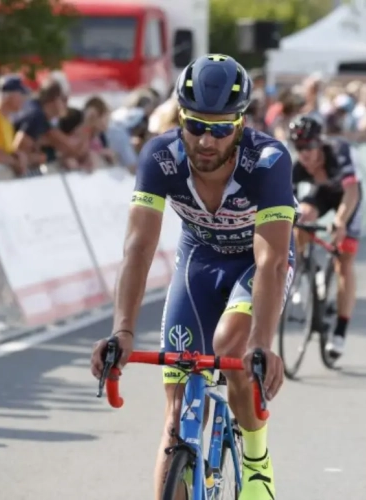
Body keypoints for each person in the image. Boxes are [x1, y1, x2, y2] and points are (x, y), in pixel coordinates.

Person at [89, 54, 295, 500]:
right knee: (178, 411)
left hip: (254, 263)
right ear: (179, 117)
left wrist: (262, 342)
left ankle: (256, 460)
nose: (205, 140)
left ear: (240, 124)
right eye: (196, 125)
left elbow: (271, 262)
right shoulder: (160, 156)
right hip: (198, 261)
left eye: (220, 129)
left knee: (231, 345)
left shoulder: (268, 160)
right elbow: (138, 248)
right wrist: (122, 331)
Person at [288, 114, 362, 359]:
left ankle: (340, 331)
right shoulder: (298, 167)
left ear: (319, 143)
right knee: (300, 217)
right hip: (322, 195)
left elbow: (352, 191)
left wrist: (340, 222)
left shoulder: (338, 152)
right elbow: (286, 204)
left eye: (309, 147)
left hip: (348, 201)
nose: (304, 154)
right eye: (299, 148)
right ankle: (305, 271)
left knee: (344, 261)